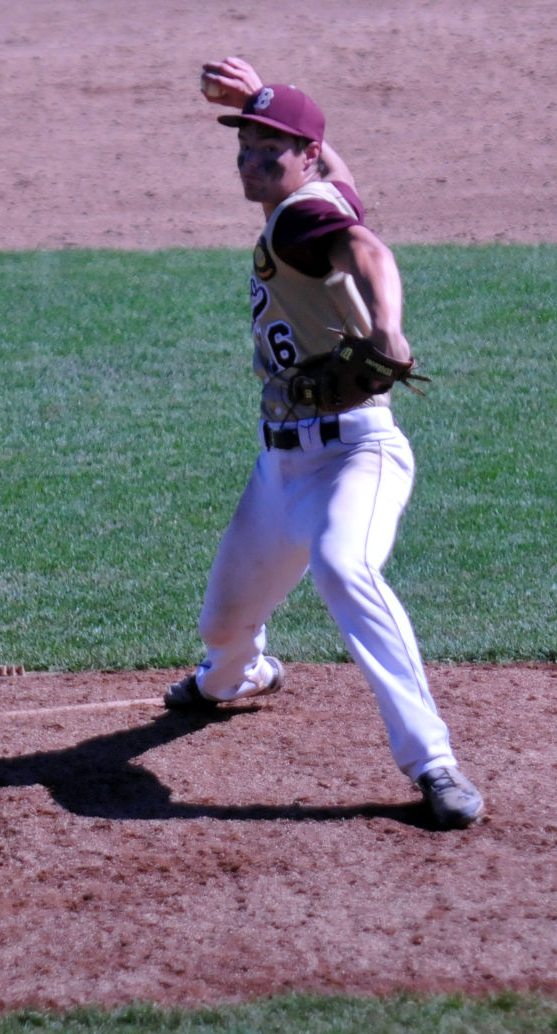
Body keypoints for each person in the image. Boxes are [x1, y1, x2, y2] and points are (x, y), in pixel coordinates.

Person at [164, 57, 483, 828]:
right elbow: (342, 184)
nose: (249, 161)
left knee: (345, 568)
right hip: (279, 468)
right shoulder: (322, 191)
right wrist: (266, 100)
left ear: (302, 158)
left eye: (268, 149)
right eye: (243, 146)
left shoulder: (299, 218)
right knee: (221, 627)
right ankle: (232, 679)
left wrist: (389, 327)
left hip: (353, 457)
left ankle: (432, 762)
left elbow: (370, 254)